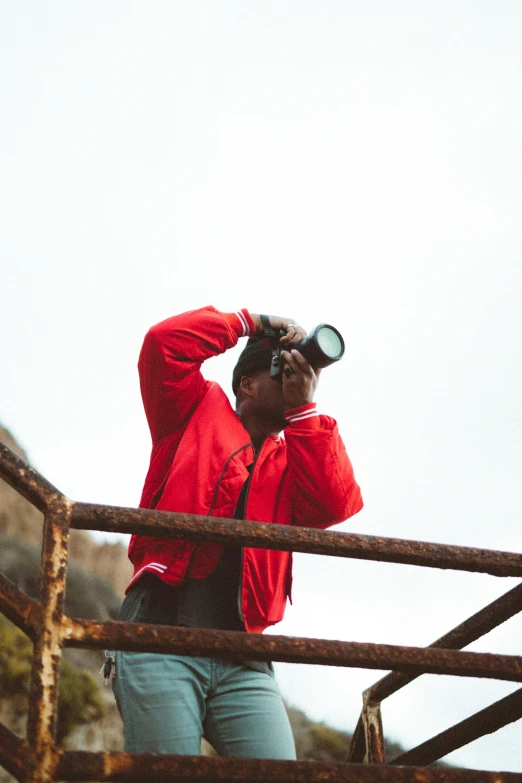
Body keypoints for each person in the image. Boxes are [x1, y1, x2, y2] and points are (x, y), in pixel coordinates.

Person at [113, 306, 363, 759]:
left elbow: (335, 503)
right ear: (246, 384)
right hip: (159, 635)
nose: (294, 376)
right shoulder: (190, 410)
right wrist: (255, 323)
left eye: (300, 371)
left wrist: (305, 407)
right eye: (281, 369)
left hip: (245, 659)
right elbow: (162, 344)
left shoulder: (292, 460)